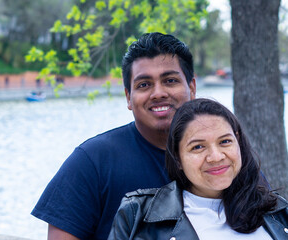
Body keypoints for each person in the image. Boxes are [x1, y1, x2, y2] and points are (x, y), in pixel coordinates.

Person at [31, 32, 196, 239]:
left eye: (170, 80)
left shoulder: (220, 158)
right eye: (144, 85)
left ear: (192, 88)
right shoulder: (92, 161)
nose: (158, 93)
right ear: (128, 97)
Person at [108, 98, 287, 239]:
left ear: (238, 142)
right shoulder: (137, 215)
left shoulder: (278, 211)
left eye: (225, 142)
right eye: (198, 147)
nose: (216, 157)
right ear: (178, 158)